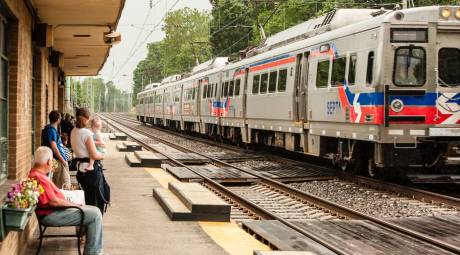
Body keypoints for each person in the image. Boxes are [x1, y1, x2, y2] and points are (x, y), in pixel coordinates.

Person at [29, 146, 107, 255]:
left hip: (54, 211)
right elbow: (53, 202)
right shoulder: (39, 177)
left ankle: (93, 248)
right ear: (48, 161)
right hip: (51, 215)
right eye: (52, 161)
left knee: (92, 210)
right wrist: (74, 205)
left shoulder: (36, 174)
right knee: (95, 214)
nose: (52, 164)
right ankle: (93, 252)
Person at [71, 108, 110, 214]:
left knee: (87, 200)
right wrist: (102, 156)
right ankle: (93, 227)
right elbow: (94, 155)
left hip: (81, 170)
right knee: (95, 203)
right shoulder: (86, 133)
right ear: (86, 119)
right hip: (91, 172)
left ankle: (85, 228)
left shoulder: (73, 131)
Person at [41, 110, 71, 189]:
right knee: (63, 183)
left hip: (59, 159)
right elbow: (54, 147)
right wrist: (63, 160)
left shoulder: (51, 129)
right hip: (58, 160)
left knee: (61, 182)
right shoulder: (51, 130)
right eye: (60, 118)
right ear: (58, 119)